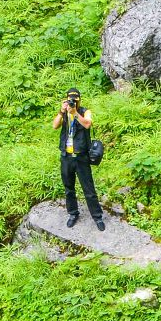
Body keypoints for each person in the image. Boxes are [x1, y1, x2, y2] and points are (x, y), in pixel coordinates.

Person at [56, 90, 103, 231]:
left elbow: (87, 124)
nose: (72, 102)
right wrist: (61, 112)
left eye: (75, 99)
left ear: (79, 100)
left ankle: (97, 217)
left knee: (88, 188)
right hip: (66, 156)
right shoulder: (64, 113)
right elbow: (54, 126)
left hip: (81, 156)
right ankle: (72, 214)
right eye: (70, 99)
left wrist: (75, 113)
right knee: (69, 188)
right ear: (66, 99)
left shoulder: (85, 111)